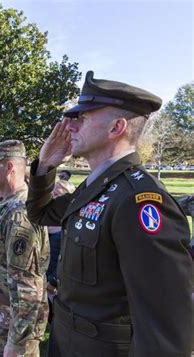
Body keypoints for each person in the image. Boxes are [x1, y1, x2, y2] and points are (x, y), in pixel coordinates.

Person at [27, 71, 192, 356]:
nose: (70, 126)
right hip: (67, 341)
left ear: (116, 127)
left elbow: (163, 325)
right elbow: (40, 213)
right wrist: (45, 166)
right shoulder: (96, 187)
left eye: (83, 118)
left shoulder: (138, 200)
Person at [0, 140, 49, 357]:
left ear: (9, 167)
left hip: (11, 327)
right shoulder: (7, 205)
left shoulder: (20, 215)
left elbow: (28, 287)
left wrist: (17, 342)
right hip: (1, 318)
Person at [45, 179, 75, 321]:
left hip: (56, 285)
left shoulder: (70, 226)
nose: (53, 198)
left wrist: (52, 282)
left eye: (58, 194)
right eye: (52, 194)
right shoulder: (46, 220)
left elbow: (69, 257)